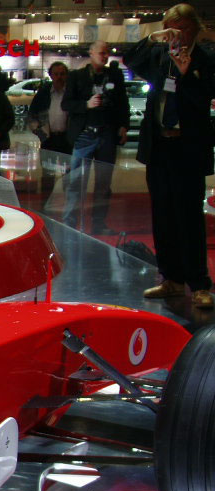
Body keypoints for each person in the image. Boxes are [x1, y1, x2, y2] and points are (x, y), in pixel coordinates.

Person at [124, 3, 215, 307]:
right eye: (172, 28)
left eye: (183, 28)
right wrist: (153, 37)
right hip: (159, 148)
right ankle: (171, 279)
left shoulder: (207, 57)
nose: (178, 34)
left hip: (187, 150)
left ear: (194, 28)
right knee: (162, 217)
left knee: (189, 217)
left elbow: (203, 100)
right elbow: (130, 58)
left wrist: (187, 73)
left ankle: (199, 283)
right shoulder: (158, 55)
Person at [61, 41, 129, 234]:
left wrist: (123, 125)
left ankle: (99, 223)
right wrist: (86, 105)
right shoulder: (77, 76)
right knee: (76, 182)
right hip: (84, 135)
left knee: (103, 183)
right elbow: (66, 104)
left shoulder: (114, 75)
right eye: (101, 52)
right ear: (90, 53)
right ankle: (70, 223)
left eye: (107, 53)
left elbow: (122, 102)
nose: (104, 56)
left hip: (107, 134)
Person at [28, 62, 72, 201]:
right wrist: (41, 134)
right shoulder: (44, 93)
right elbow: (32, 116)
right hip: (49, 140)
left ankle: (70, 206)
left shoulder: (72, 93)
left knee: (69, 176)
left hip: (68, 140)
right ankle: (45, 206)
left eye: (62, 74)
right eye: (56, 74)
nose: (59, 77)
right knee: (48, 174)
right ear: (51, 75)